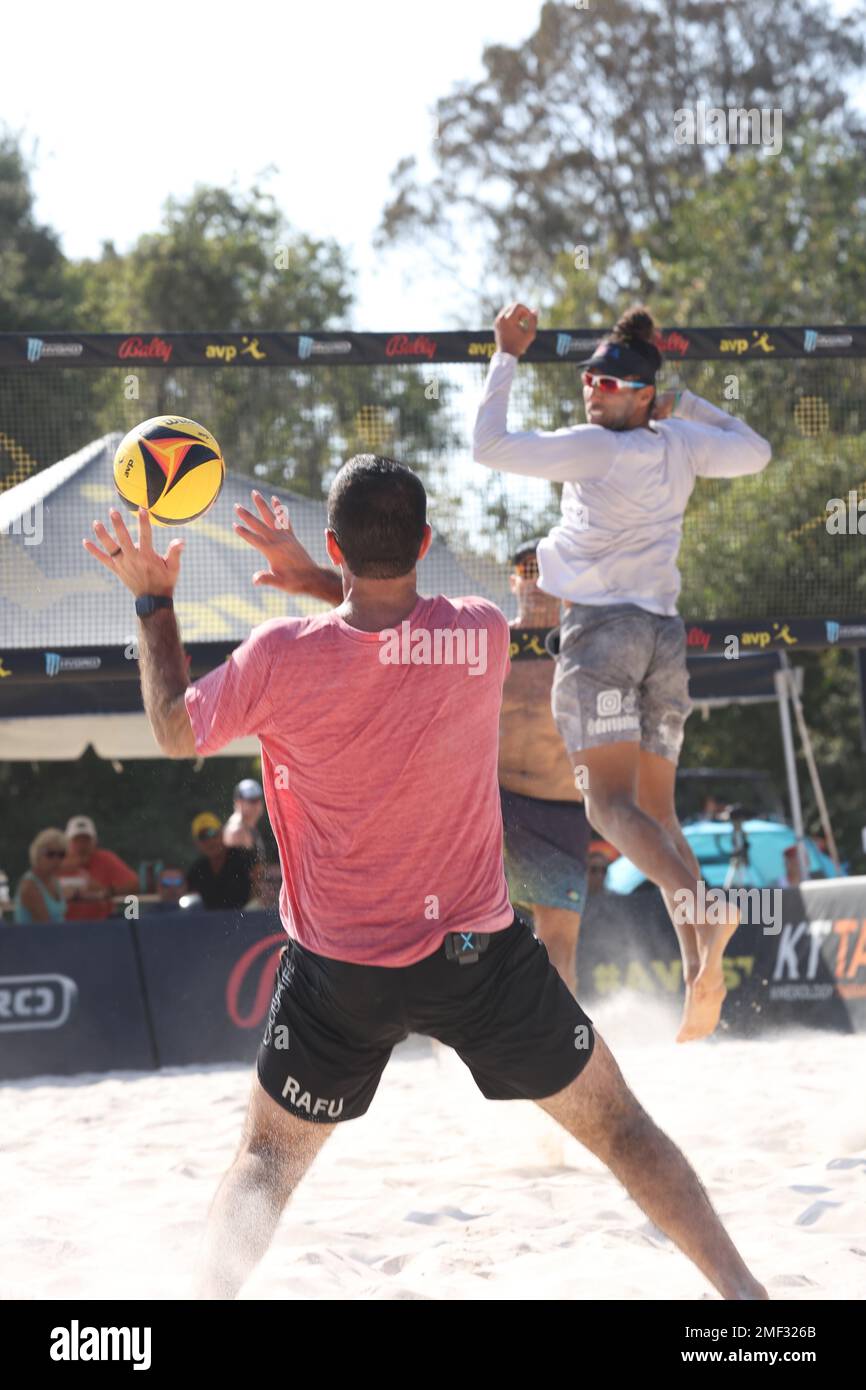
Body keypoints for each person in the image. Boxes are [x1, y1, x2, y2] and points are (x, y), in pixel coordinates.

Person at [81, 468, 766, 1303]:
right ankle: (748, 1308)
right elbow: (385, 619)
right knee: (623, 1129)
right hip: (478, 962)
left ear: (336, 546)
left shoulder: (276, 657)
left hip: (340, 976)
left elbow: (172, 726)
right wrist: (317, 575)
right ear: (428, 546)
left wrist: (155, 604)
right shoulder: (476, 635)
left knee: (265, 1166)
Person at [473, 302, 772, 1042]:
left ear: (639, 395)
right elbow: (758, 451)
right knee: (657, 814)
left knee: (608, 810)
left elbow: (489, 446)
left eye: (610, 382)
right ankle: (701, 957)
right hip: (664, 640)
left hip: (603, 636)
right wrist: (684, 406)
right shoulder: (680, 442)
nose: (593, 389)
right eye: (590, 378)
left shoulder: (596, 448)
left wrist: (506, 354)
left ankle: (704, 915)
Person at [500, 539, 589, 994]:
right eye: (527, 570)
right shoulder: (490, 642)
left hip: (561, 808)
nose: (536, 581)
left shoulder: (583, 650)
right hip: (495, 806)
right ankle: (452, 1040)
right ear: (514, 580)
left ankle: (566, 1050)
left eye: (546, 571)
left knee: (558, 947)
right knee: (458, 929)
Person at [60, 815, 139, 921]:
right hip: (63, 926)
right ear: (67, 843)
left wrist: (106, 891)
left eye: (86, 840)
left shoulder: (105, 859)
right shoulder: (56, 861)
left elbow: (134, 884)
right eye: (77, 840)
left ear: (94, 841)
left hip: (101, 924)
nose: (82, 845)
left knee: (132, 915)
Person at [186, 813, 254, 911]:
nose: (210, 841)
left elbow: (259, 890)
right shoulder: (196, 871)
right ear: (197, 843)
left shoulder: (244, 859)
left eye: (213, 833)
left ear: (222, 834)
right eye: (202, 837)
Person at [13, 829, 68, 924]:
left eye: (61, 854)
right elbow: (46, 928)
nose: (57, 860)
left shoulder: (54, 881)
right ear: (37, 854)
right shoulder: (29, 886)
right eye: (50, 854)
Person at [223, 779, 267, 862]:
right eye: (252, 800)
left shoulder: (247, 827)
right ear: (238, 802)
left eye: (259, 799)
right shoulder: (237, 831)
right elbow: (237, 871)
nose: (257, 804)